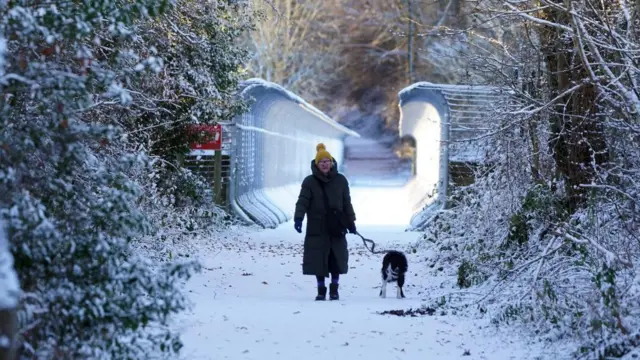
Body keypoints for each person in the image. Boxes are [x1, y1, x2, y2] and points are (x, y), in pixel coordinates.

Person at [294, 143, 357, 301]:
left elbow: (347, 202)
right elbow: (303, 201)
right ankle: (321, 290)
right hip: (317, 226)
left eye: (327, 161)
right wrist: (298, 218)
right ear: (316, 164)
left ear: (332, 162)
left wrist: (351, 221)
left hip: (337, 225)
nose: (325, 164)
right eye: (322, 162)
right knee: (318, 258)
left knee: (336, 257)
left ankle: (334, 289)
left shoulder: (341, 181)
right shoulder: (309, 182)